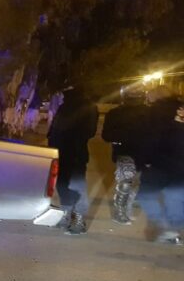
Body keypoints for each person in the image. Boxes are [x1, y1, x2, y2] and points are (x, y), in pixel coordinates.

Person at [48, 84, 99, 235]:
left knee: (77, 185)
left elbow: (89, 131)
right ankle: (66, 214)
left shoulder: (88, 107)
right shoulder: (64, 106)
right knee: (62, 184)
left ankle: (79, 220)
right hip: (59, 152)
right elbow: (55, 127)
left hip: (75, 152)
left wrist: (70, 137)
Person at [137, 85, 184, 245]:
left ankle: (166, 227)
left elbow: (151, 138)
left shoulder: (155, 112)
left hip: (160, 161)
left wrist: (145, 160)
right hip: (180, 162)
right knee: (175, 196)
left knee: (145, 195)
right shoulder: (181, 109)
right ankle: (175, 229)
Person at [101, 87, 150, 225]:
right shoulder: (115, 113)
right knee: (125, 183)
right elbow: (107, 135)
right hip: (125, 152)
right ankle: (120, 212)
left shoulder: (151, 113)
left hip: (144, 153)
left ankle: (126, 208)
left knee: (135, 184)